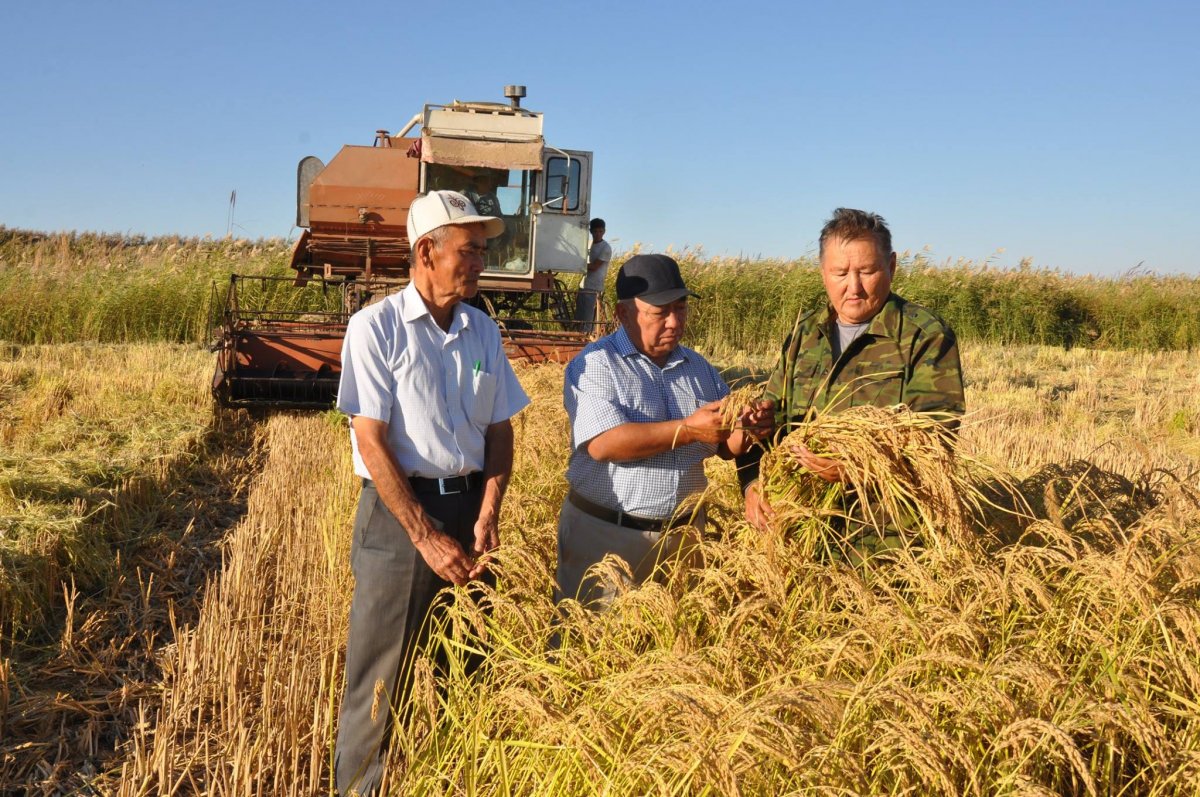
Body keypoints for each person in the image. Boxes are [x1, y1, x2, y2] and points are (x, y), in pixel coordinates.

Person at [334, 190, 530, 795]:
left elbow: (500, 429)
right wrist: (424, 535)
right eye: (469, 251)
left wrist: (489, 512)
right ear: (427, 251)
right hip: (398, 523)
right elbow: (371, 442)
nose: (479, 263)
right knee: (379, 685)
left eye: (481, 251)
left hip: (471, 515)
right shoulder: (376, 328)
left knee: (469, 674)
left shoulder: (482, 331)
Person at [558, 253, 772, 606]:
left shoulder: (697, 367)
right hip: (609, 540)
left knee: (672, 650)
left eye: (681, 308)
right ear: (623, 314)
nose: (674, 322)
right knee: (595, 646)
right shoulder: (596, 364)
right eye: (660, 312)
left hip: (684, 541)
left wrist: (749, 429)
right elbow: (604, 443)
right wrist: (688, 430)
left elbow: (724, 445)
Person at [737, 207, 965, 535]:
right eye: (840, 272)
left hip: (882, 538)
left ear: (891, 266)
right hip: (800, 527)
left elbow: (935, 440)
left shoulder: (923, 336)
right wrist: (752, 484)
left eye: (867, 271)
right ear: (823, 272)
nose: (853, 287)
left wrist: (858, 467)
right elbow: (766, 424)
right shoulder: (806, 334)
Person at [573, 218, 613, 329]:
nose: (598, 234)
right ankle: (576, 337)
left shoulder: (606, 248)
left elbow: (595, 266)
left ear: (604, 231)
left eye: (600, 231)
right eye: (595, 231)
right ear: (591, 232)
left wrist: (574, 264)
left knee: (587, 318)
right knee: (579, 317)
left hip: (594, 287)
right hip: (583, 285)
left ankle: (585, 341)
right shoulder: (588, 244)